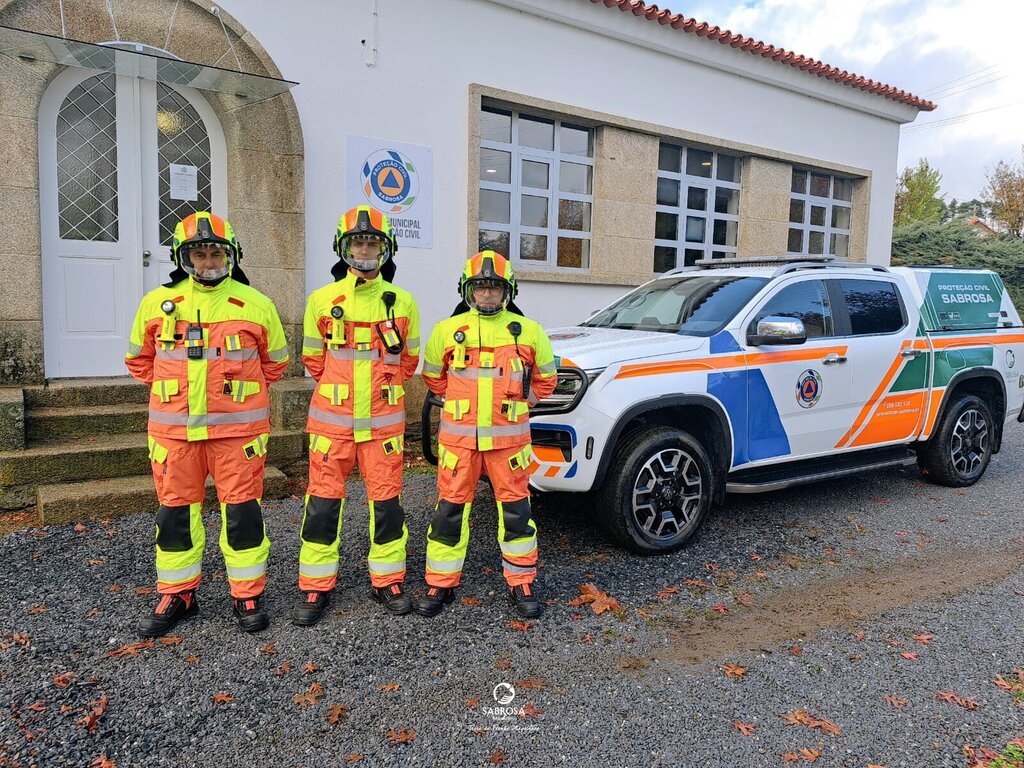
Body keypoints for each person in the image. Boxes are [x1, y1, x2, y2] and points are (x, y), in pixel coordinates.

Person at [125, 212, 289, 636]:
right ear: (184, 258)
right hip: (175, 435)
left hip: (237, 435)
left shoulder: (256, 304)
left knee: (243, 515)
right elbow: (139, 361)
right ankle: (177, 594)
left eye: (216, 253)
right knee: (175, 516)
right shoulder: (156, 303)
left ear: (231, 255)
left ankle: (247, 595)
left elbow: (276, 364)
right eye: (198, 254)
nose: (208, 261)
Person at [292, 206, 420, 625]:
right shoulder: (322, 300)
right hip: (333, 425)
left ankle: (388, 580)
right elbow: (313, 360)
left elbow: (409, 363)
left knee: (386, 506)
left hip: (382, 426)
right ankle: (315, 586)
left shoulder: (403, 302)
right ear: (343, 248)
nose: (364, 250)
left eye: (372, 243)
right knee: (323, 505)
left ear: (385, 249)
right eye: (357, 243)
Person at [417, 251, 557, 619]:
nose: (487, 293)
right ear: (467, 290)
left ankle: (522, 581)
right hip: (460, 445)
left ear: (508, 290)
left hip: (509, 445)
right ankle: (440, 582)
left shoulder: (529, 331)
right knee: (448, 512)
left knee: (516, 513)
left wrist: (517, 405)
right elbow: (433, 377)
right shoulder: (446, 330)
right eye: (480, 286)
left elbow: (547, 380)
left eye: (494, 286)